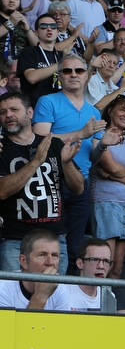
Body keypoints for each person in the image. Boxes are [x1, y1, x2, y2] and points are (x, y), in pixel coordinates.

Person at [33, 54, 106, 271]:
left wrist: (104, 145)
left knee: (75, 247)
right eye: (67, 71)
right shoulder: (48, 101)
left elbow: (93, 157)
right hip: (50, 180)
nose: (73, 75)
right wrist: (80, 133)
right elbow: (39, 139)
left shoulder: (94, 112)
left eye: (79, 71)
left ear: (86, 76)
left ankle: (68, 299)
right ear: (60, 76)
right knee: (48, 242)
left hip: (80, 182)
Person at [0, 90, 83, 274]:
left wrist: (67, 163)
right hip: (16, 241)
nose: (8, 115)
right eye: (3, 112)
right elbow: (2, 191)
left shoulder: (53, 144)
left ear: (30, 113)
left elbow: (78, 188)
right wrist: (36, 161)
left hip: (54, 240)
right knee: (12, 300)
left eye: (14, 109)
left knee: (53, 300)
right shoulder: (1, 149)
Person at [90, 95, 125, 277]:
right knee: (105, 265)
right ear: (111, 111)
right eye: (123, 109)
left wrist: (115, 177)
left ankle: (112, 305)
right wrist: (119, 173)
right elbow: (110, 167)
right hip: (106, 203)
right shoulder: (100, 136)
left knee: (118, 269)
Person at [0, 229, 71, 310]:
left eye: (54, 255)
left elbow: (59, 323)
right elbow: (8, 323)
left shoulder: (60, 289)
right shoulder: (3, 288)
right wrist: (40, 296)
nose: (50, 262)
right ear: (24, 261)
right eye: (42, 255)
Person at [63, 237, 112, 312]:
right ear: (80, 263)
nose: (101, 266)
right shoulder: (63, 292)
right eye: (95, 260)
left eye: (106, 261)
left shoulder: (109, 296)